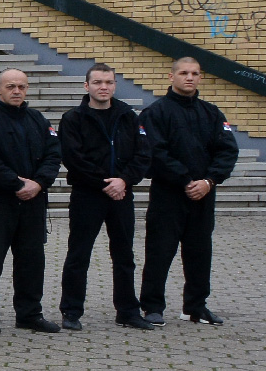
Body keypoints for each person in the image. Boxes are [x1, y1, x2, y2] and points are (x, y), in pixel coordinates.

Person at [139, 56, 239, 325]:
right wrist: (185, 180)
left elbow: (228, 151)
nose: (190, 78)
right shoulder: (155, 113)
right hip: (168, 195)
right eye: (183, 72)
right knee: (160, 251)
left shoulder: (212, 113)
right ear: (171, 77)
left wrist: (209, 181)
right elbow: (155, 153)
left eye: (195, 73)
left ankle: (195, 306)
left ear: (200, 77)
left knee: (199, 252)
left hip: (204, 194)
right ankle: (152, 306)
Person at [57, 63, 153, 331]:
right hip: (87, 195)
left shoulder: (128, 116)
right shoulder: (73, 119)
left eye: (109, 82)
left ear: (114, 85)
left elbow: (143, 153)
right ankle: (71, 311)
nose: (104, 87)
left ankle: (128, 311)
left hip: (122, 194)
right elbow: (74, 158)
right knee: (79, 254)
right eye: (98, 82)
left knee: (124, 255)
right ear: (87, 86)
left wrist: (124, 180)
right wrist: (104, 183)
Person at [0, 68, 63, 335]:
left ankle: (30, 314)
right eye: (10, 86)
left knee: (32, 261)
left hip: (33, 203)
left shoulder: (38, 120)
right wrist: (18, 184)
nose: (17, 91)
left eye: (21, 86)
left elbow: (54, 155)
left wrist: (39, 183)